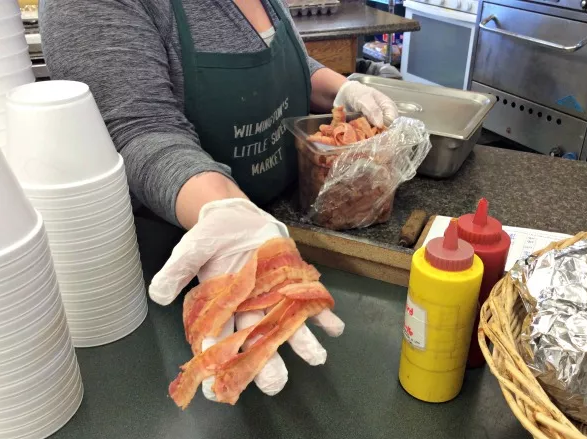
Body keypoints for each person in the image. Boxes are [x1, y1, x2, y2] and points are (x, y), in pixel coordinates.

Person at [41, 0, 399, 401]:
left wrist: (343, 89)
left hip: (279, 236)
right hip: (193, 262)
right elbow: (139, 129)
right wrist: (225, 209)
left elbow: (284, 68)